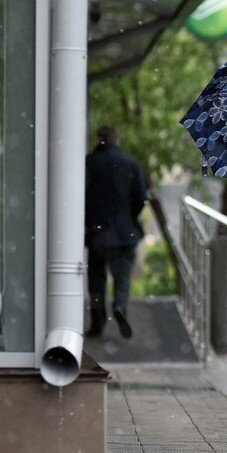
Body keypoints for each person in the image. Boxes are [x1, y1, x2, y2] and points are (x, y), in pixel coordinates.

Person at [85, 125, 147, 339]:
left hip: (96, 232)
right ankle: (120, 305)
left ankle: (97, 321)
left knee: (96, 280)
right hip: (123, 232)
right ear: (117, 139)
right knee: (122, 276)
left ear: (98, 139)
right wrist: (128, 217)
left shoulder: (88, 164)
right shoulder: (130, 164)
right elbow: (141, 198)